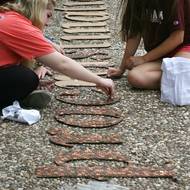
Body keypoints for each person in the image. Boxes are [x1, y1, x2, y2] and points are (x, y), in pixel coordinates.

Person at [0, 0, 115, 110]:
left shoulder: (8, 16)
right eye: (48, 16)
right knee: (25, 78)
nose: (48, 23)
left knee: (23, 76)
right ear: (37, 10)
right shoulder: (18, 26)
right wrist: (99, 80)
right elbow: (63, 64)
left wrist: (46, 42)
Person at [107, 0, 190, 90]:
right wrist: (121, 68)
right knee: (135, 77)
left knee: (179, 65)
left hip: (184, 50)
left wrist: (144, 59)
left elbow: (177, 38)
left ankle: (181, 77)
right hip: (160, 56)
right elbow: (135, 33)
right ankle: (181, 78)